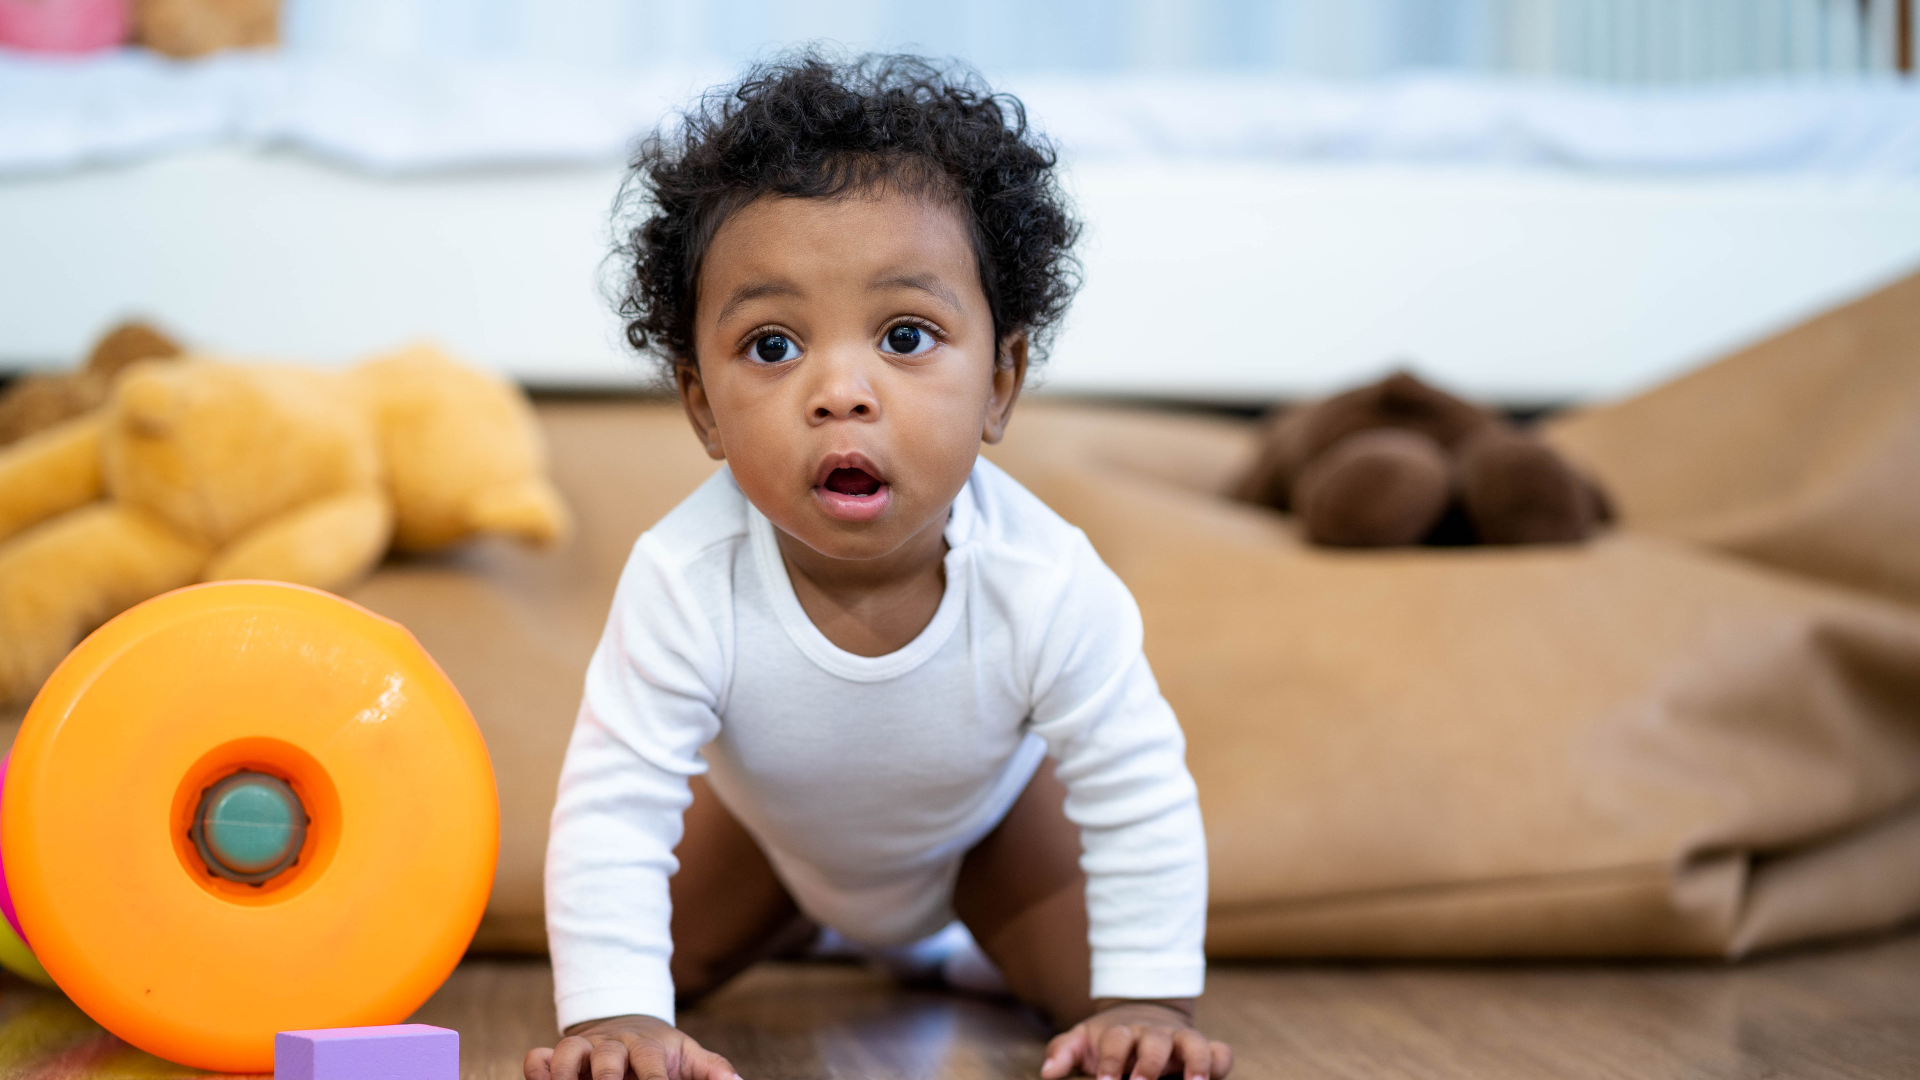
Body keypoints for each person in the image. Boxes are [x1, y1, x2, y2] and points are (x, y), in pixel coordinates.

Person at [526, 53, 1233, 1080]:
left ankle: (950, 949)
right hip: (769, 847)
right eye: (773, 346)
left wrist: (1152, 1001)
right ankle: (817, 926)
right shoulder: (685, 578)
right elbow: (615, 801)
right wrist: (613, 1019)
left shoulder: (1045, 579)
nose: (840, 390)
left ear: (1000, 384)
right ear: (700, 407)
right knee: (622, 995)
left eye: (905, 335)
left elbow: (1137, 789)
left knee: (1106, 1017)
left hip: (989, 844)